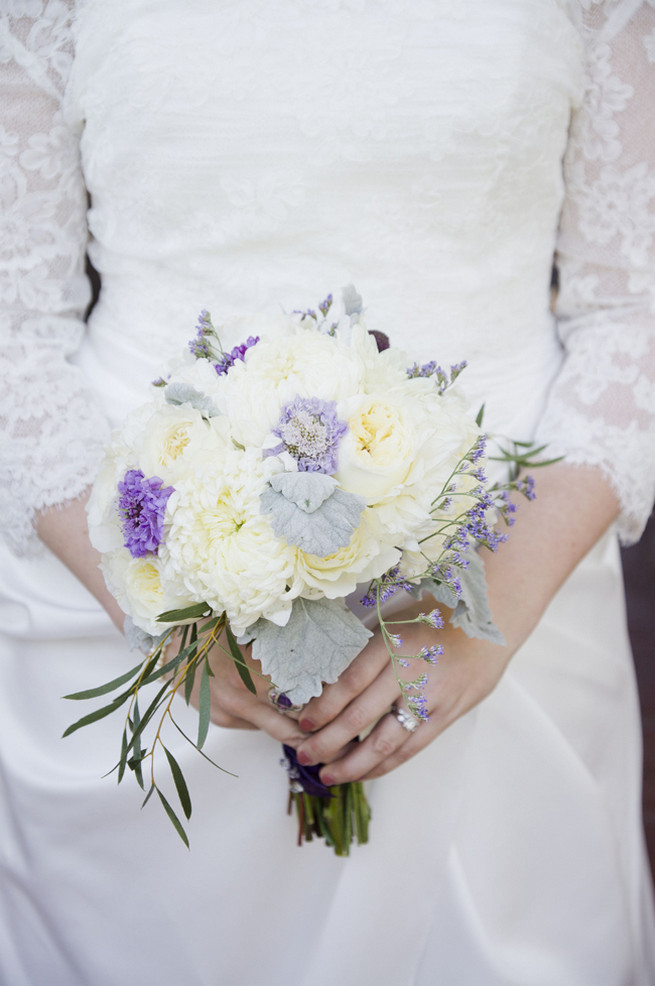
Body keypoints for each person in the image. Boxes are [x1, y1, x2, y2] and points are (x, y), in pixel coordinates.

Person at [1, 1, 654, 983]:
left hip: (514, 603)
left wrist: (486, 616)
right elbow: (13, 319)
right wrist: (149, 598)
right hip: (128, 605)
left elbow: (632, 308)